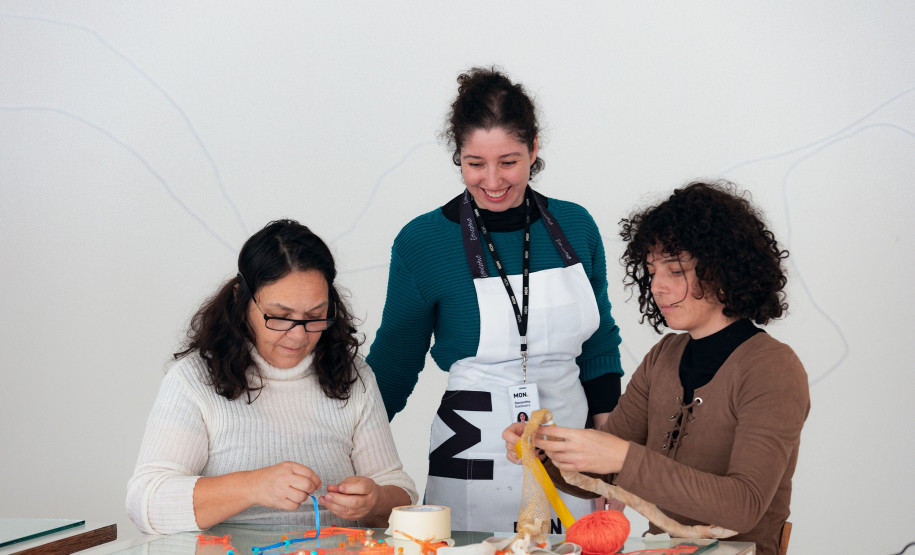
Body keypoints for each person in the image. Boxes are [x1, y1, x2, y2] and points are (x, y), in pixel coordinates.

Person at [367, 67, 624, 532]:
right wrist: (344, 444)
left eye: (509, 162)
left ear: (534, 149)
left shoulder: (576, 227)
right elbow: (395, 361)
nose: (492, 181)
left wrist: (612, 463)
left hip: (571, 446)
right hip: (470, 449)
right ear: (457, 157)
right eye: (474, 163)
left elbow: (600, 348)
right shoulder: (423, 242)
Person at [503, 181, 810, 555]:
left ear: (724, 269)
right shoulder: (664, 355)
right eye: (652, 270)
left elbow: (743, 506)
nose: (658, 286)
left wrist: (622, 457)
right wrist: (547, 451)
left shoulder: (772, 368)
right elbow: (599, 475)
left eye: (675, 271)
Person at [127, 220, 417, 534]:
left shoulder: (353, 375)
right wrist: (252, 486)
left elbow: (399, 494)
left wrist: (375, 502)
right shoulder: (193, 379)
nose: (298, 335)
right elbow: (146, 503)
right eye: (280, 316)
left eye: (315, 316)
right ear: (241, 298)